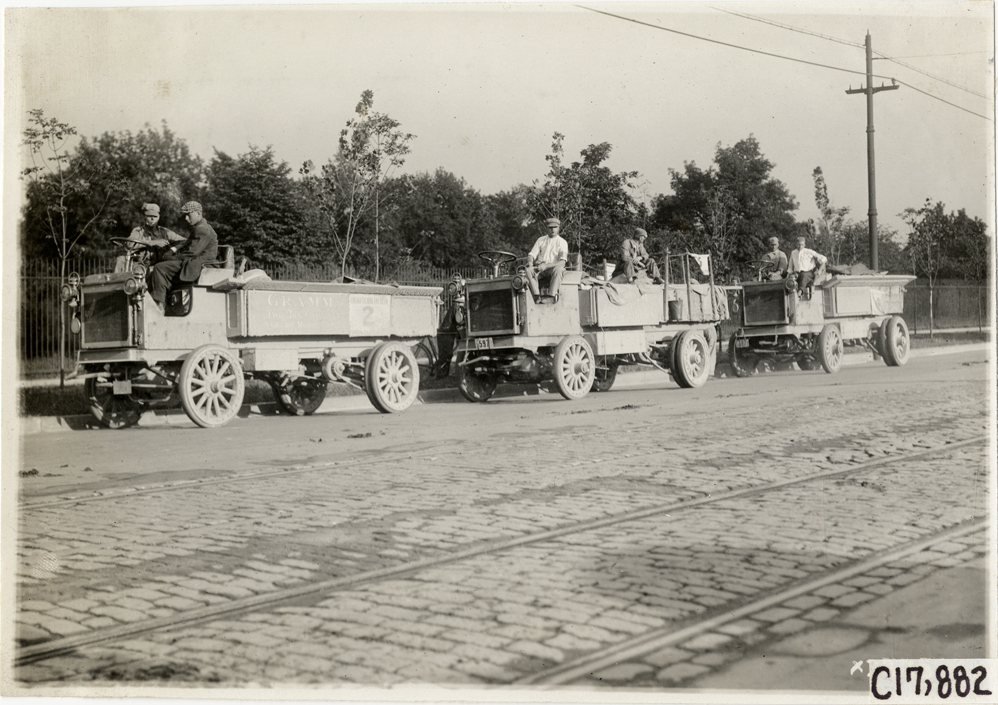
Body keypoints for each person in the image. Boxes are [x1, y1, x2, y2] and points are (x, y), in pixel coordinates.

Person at [148, 201, 218, 313]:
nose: (185, 218)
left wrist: (169, 258)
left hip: (199, 264)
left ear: (198, 214)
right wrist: (173, 249)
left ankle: (159, 306)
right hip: (195, 261)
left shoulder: (202, 229)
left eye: (188, 215)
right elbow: (186, 242)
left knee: (160, 268)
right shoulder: (200, 227)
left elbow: (192, 252)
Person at [114, 202, 186, 273]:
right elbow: (129, 244)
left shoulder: (165, 232)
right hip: (141, 265)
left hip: (160, 266)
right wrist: (150, 242)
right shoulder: (138, 231)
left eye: (155, 216)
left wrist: (172, 249)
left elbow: (184, 241)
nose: (152, 219)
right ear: (145, 217)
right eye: (149, 216)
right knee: (120, 260)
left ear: (158, 218)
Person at [525, 217, 569, 303]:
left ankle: (551, 296)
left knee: (559, 269)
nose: (552, 230)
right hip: (541, 269)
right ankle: (536, 296)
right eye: (550, 227)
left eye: (555, 227)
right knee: (529, 270)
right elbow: (531, 254)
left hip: (553, 269)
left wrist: (546, 266)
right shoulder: (541, 240)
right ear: (546, 228)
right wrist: (530, 263)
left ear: (559, 228)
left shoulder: (562, 242)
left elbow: (562, 262)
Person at [433, 273, 465, 377]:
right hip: (450, 329)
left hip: (452, 327)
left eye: (458, 282)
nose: (456, 284)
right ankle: (443, 371)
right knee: (446, 339)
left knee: (447, 336)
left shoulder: (457, 307)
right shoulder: (456, 307)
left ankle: (445, 370)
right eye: (455, 282)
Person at [787, 235, 827, 300]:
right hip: (797, 274)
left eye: (801, 245)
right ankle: (790, 298)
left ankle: (799, 293)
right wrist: (788, 276)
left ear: (804, 245)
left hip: (809, 273)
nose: (800, 246)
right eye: (798, 244)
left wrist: (819, 270)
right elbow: (790, 267)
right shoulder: (793, 253)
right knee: (790, 280)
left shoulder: (808, 252)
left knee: (804, 275)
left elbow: (823, 258)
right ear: (796, 244)